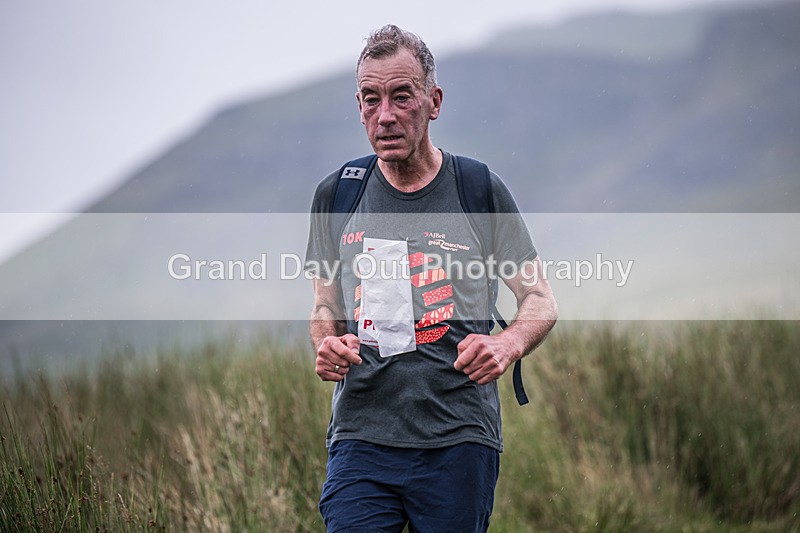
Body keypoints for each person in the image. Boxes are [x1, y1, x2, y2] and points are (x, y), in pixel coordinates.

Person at [304, 24, 557, 532]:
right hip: (361, 436)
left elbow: (539, 299)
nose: (386, 115)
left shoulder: (477, 189)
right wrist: (326, 344)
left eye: (402, 96)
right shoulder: (338, 195)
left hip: (457, 438)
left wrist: (505, 347)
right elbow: (324, 306)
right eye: (371, 100)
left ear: (433, 101)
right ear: (358, 106)